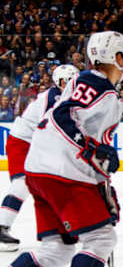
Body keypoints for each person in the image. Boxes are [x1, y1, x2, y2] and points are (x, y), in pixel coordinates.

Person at [0, 31, 123, 267]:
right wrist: (93, 149)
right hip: (61, 172)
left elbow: (79, 127)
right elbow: (64, 116)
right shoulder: (96, 83)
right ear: (114, 57)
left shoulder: (87, 83)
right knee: (101, 239)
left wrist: (103, 183)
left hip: (41, 171)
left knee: (56, 250)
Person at [0, 64, 79, 252]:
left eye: (74, 81)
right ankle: (1, 226)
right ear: (59, 82)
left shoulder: (68, 98)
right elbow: (53, 128)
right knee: (22, 183)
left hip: (37, 143)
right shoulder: (53, 98)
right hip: (23, 142)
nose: (71, 85)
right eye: (67, 81)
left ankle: (63, 227)